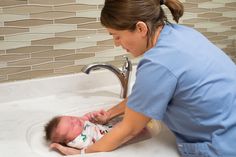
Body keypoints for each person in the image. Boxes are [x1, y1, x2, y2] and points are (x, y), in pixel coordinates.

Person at [50, 0, 236, 156]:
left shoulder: (157, 63)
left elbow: (129, 129)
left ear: (141, 28)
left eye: (117, 36)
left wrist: (84, 153)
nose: (116, 44)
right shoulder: (181, 34)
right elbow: (148, 94)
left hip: (223, 145)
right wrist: (110, 114)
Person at [44, 114, 113, 150]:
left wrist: (92, 116)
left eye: (71, 118)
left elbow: (85, 118)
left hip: (105, 127)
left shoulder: (79, 125)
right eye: (73, 126)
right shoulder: (77, 141)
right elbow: (90, 144)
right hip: (108, 136)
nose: (75, 121)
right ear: (68, 140)